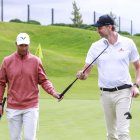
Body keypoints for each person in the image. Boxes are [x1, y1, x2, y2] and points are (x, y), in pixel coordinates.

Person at [76, 14, 140, 140]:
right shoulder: (96, 46)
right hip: (105, 94)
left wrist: (136, 85)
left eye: (100, 27)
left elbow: (138, 67)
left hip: (124, 92)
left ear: (109, 27)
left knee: (123, 132)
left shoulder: (128, 43)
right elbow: (86, 72)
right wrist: (82, 75)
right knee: (111, 135)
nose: (97, 30)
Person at [0, 33, 62, 140]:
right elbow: (1, 83)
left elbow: (43, 80)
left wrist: (53, 92)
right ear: (16, 44)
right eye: (21, 45)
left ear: (29, 45)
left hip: (31, 106)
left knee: (30, 138)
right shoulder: (7, 61)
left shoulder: (36, 61)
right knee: (14, 138)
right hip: (13, 106)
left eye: (26, 45)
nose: (23, 48)